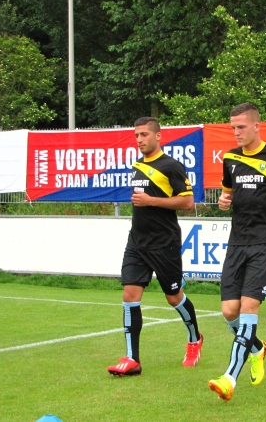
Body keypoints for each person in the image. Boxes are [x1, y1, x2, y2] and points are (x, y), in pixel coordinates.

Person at [208, 103, 266, 401]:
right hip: (237, 242)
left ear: (257, 126)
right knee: (229, 312)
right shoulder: (231, 158)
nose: (236, 132)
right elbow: (228, 192)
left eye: (241, 127)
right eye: (233, 127)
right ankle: (258, 348)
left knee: (249, 306)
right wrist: (224, 200)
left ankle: (229, 378)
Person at [107, 117, 201, 377]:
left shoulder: (172, 166)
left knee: (173, 297)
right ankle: (132, 359)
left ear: (159, 136)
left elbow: (187, 203)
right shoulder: (137, 165)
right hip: (137, 241)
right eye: (136, 135)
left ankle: (194, 339)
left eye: (145, 134)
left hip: (164, 242)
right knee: (129, 295)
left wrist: (150, 201)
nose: (140, 139)